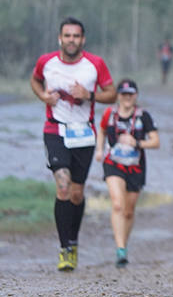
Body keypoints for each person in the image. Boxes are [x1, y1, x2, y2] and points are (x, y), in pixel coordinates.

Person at [29, 17, 116, 271]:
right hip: (55, 131)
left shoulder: (95, 64)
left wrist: (89, 95)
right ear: (60, 38)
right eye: (67, 36)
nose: (71, 40)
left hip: (84, 135)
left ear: (83, 40)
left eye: (76, 36)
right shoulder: (46, 62)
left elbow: (111, 93)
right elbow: (34, 81)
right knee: (63, 187)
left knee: (77, 194)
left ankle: (73, 241)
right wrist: (43, 95)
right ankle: (64, 248)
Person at [94, 79, 159, 268]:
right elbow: (102, 130)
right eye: (123, 94)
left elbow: (156, 141)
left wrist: (137, 143)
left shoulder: (143, 116)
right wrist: (99, 150)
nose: (127, 98)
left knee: (129, 211)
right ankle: (120, 249)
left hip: (136, 166)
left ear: (136, 95)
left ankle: (124, 243)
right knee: (117, 204)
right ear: (118, 96)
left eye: (130, 94)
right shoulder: (109, 114)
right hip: (113, 163)